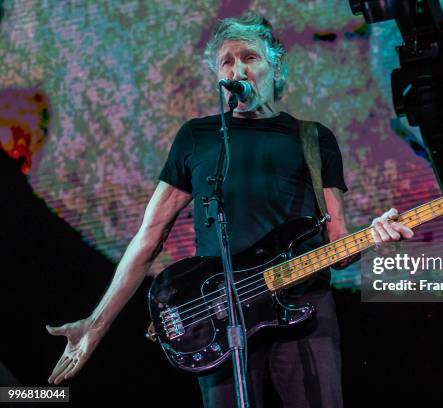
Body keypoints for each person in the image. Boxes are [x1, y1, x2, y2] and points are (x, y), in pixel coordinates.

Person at [46, 13, 414, 407]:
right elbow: (148, 238)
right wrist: (95, 326)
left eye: (250, 57)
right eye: (227, 61)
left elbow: (339, 243)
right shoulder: (196, 138)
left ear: (276, 66)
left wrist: (373, 235)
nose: (238, 68)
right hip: (220, 314)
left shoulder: (312, 137)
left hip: (305, 308)